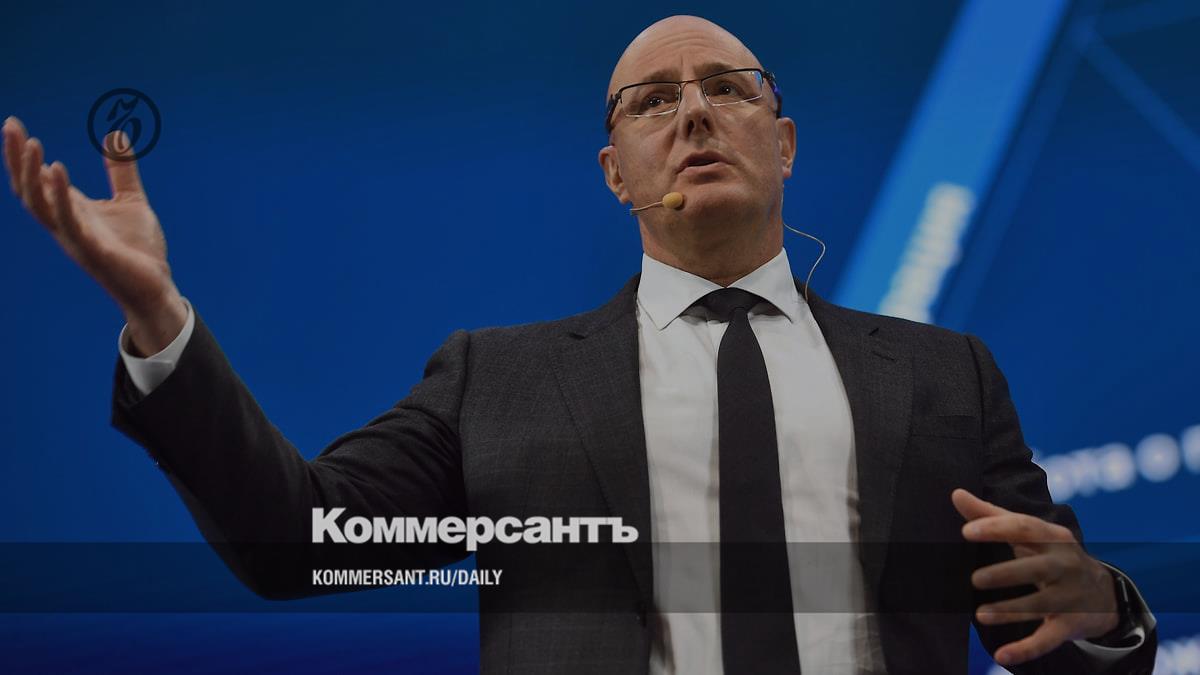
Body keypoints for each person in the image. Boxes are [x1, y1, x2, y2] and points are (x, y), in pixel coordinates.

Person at [5, 14, 1157, 675]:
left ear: (785, 142)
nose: (693, 112)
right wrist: (160, 319)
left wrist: (1105, 607)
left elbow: (1054, 631)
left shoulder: (948, 376)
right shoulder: (496, 383)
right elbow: (302, 544)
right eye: (652, 101)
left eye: (728, 89)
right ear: (616, 174)